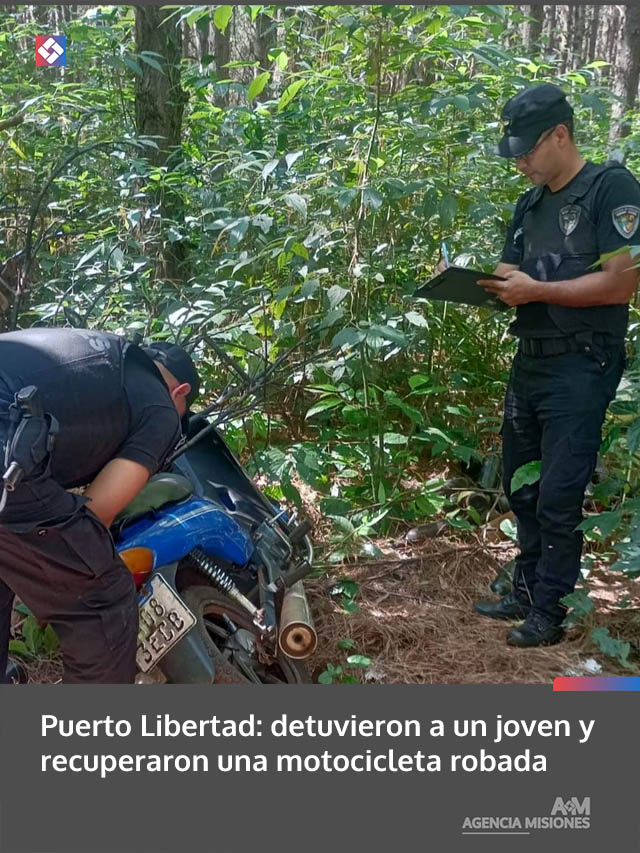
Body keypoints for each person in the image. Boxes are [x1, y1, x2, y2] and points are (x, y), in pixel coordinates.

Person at [471, 83, 640, 646]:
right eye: (514, 153)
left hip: (583, 362)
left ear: (560, 135)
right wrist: (479, 285)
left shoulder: (610, 187)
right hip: (532, 360)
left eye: (527, 151)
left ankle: (550, 610)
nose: (520, 163)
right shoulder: (530, 202)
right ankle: (524, 589)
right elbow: (507, 272)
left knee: (559, 493)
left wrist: (538, 289)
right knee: (522, 484)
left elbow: (623, 283)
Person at [0, 328, 200, 683]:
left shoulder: (98, 354)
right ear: (179, 392)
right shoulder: (161, 407)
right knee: (102, 599)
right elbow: (96, 511)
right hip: (6, 451)